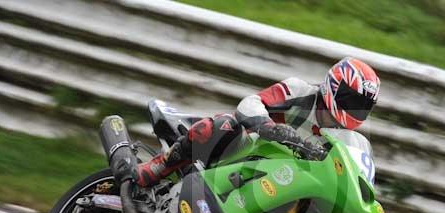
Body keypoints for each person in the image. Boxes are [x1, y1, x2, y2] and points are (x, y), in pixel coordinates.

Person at [134, 57, 381, 187]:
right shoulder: (300, 91)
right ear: (335, 87)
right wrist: (268, 127)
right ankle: (157, 167)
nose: (356, 108)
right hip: (246, 151)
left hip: (281, 178)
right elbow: (250, 103)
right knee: (224, 124)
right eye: (352, 99)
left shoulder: (345, 139)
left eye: (364, 104)